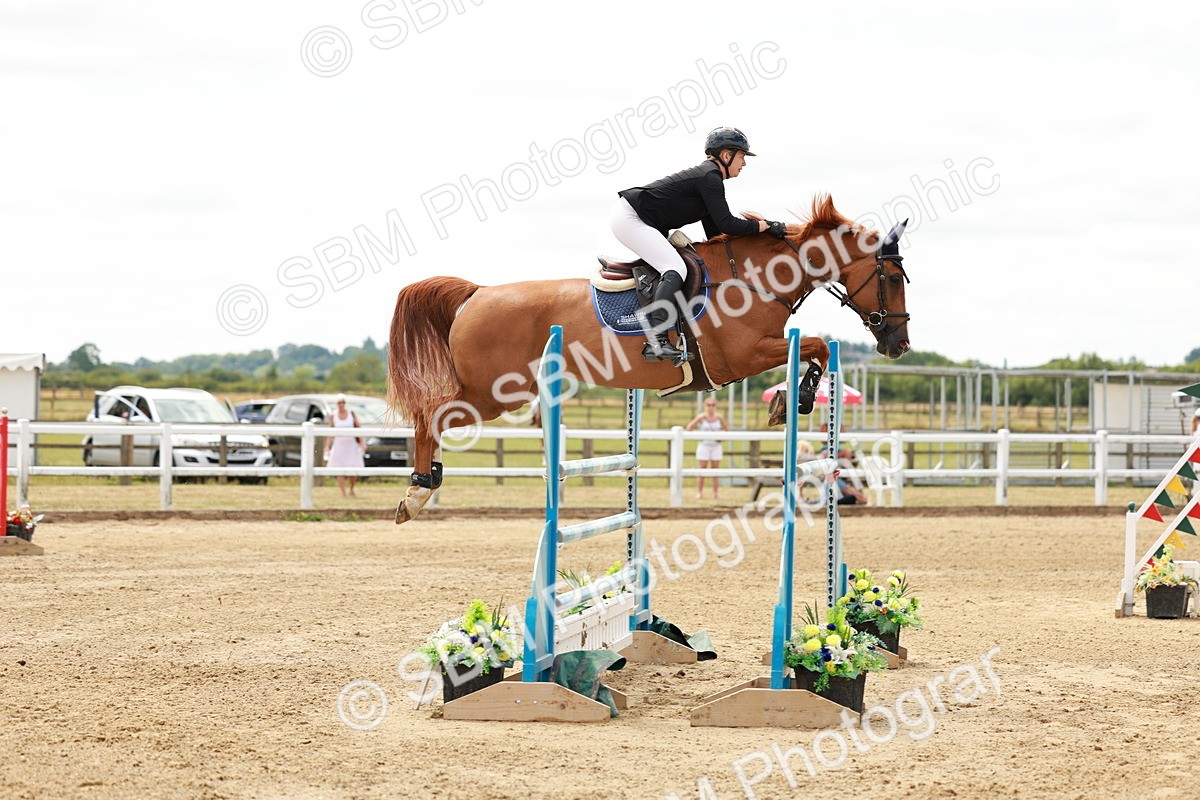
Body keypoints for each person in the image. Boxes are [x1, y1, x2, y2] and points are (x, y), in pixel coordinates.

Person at [611, 126, 789, 363]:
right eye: (742, 156)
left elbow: (715, 234)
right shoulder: (709, 178)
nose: (744, 163)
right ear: (726, 156)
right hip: (630, 218)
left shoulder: (709, 180)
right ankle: (656, 341)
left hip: (637, 219)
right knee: (675, 268)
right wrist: (764, 226)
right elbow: (728, 225)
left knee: (680, 265)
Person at [323, 394, 366, 497]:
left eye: (343, 402)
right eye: (339, 403)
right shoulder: (333, 416)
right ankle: (343, 491)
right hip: (339, 445)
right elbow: (331, 432)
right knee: (339, 468)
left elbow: (358, 428)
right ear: (336, 404)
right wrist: (327, 446)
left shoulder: (351, 414)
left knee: (353, 468)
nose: (341, 404)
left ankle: (352, 489)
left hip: (351, 444)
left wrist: (361, 442)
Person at [686, 398, 729, 499]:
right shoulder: (701, 417)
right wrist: (698, 435)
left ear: (715, 406)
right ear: (705, 406)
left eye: (713, 405)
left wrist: (721, 438)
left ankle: (715, 493)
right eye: (708, 405)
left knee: (715, 470)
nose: (711, 407)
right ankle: (700, 492)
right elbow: (689, 427)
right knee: (702, 469)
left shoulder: (719, 418)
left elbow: (727, 430)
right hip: (704, 445)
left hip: (716, 446)